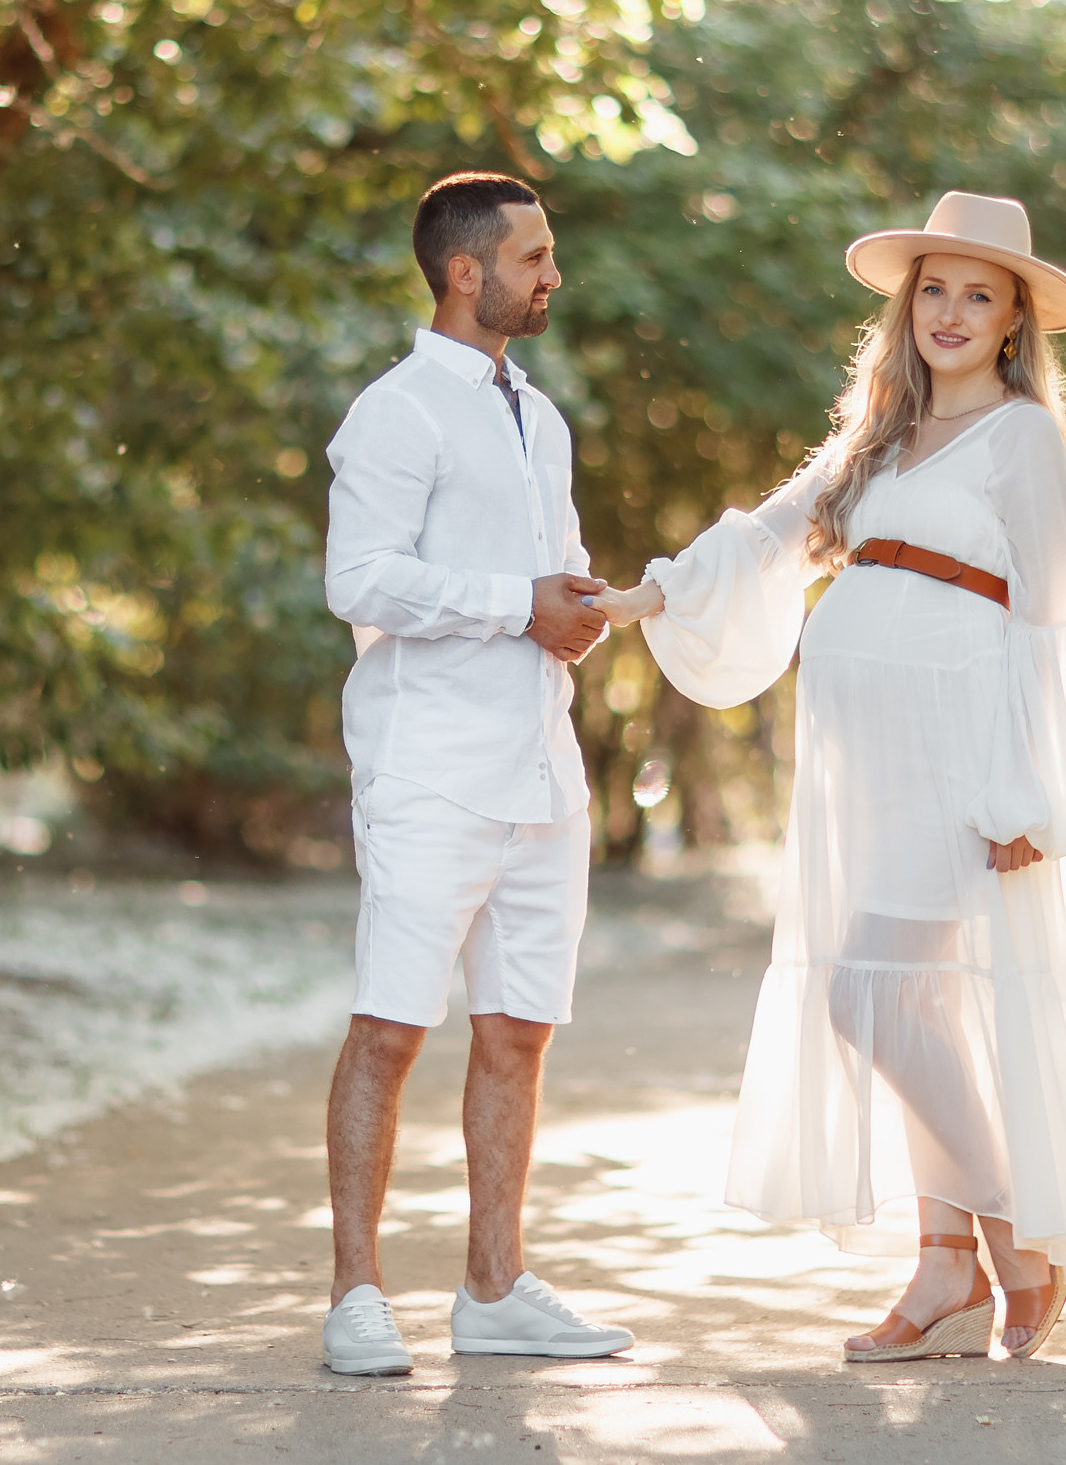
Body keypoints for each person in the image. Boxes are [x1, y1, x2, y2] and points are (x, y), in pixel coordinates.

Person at [594, 191, 1066, 1362]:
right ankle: (943, 1270)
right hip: (862, 758)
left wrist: (1029, 789)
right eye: (932, 288)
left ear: (1013, 320)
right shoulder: (878, 434)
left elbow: (1049, 619)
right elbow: (772, 533)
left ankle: (1018, 1241)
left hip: (960, 749)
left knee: (865, 994)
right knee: (911, 1001)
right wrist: (649, 595)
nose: (949, 311)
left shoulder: (1023, 438)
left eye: (977, 294)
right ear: (906, 304)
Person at [316, 172, 636, 1377]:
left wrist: (584, 599)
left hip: (540, 771)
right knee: (391, 1027)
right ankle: (356, 1295)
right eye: (535, 255)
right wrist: (519, 606)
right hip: (429, 769)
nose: (552, 274)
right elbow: (361, 581)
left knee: (519, 1032)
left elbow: (549, 566)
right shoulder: (395, 413)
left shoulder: (537, 417)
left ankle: (494, 1289)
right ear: (467, 272)